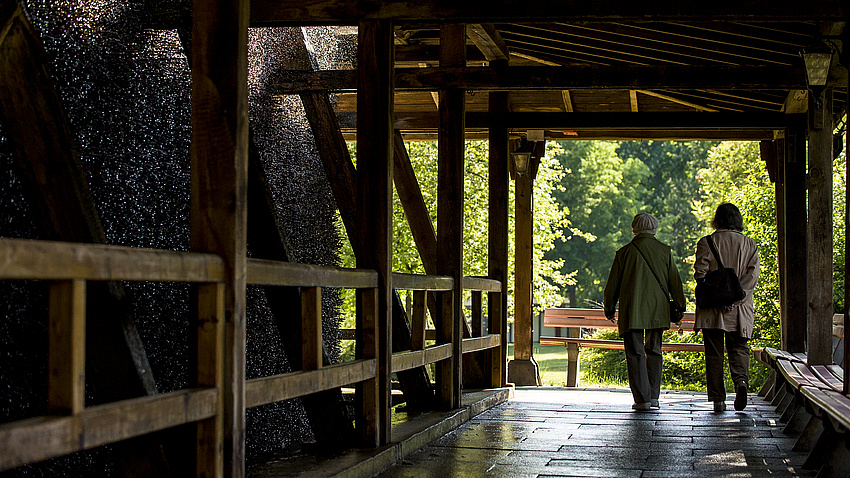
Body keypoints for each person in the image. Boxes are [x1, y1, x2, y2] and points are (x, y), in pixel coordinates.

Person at [604, 212, 686, 411]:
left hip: (632, 310)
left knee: (635, 353)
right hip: (658, 309)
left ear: (634, 228)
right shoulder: (664, 251)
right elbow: (675, 281)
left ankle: (642, 398)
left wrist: (609, 307)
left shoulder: (624, 253)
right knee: (655, 351)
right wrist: (680, 306)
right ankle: (654, 396)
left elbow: (612, 284)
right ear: (654, 229)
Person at [694, 203, 759, 413]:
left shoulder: (707, 242)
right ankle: (741, 383)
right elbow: (752, 277)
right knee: (739, 349)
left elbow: (700, 274)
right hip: (740, 310)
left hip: (713, 310)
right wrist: (736, 299)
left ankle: (718, 400)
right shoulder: (750, 244)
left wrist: (720, 298)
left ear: (717, 220)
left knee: (714, 354)